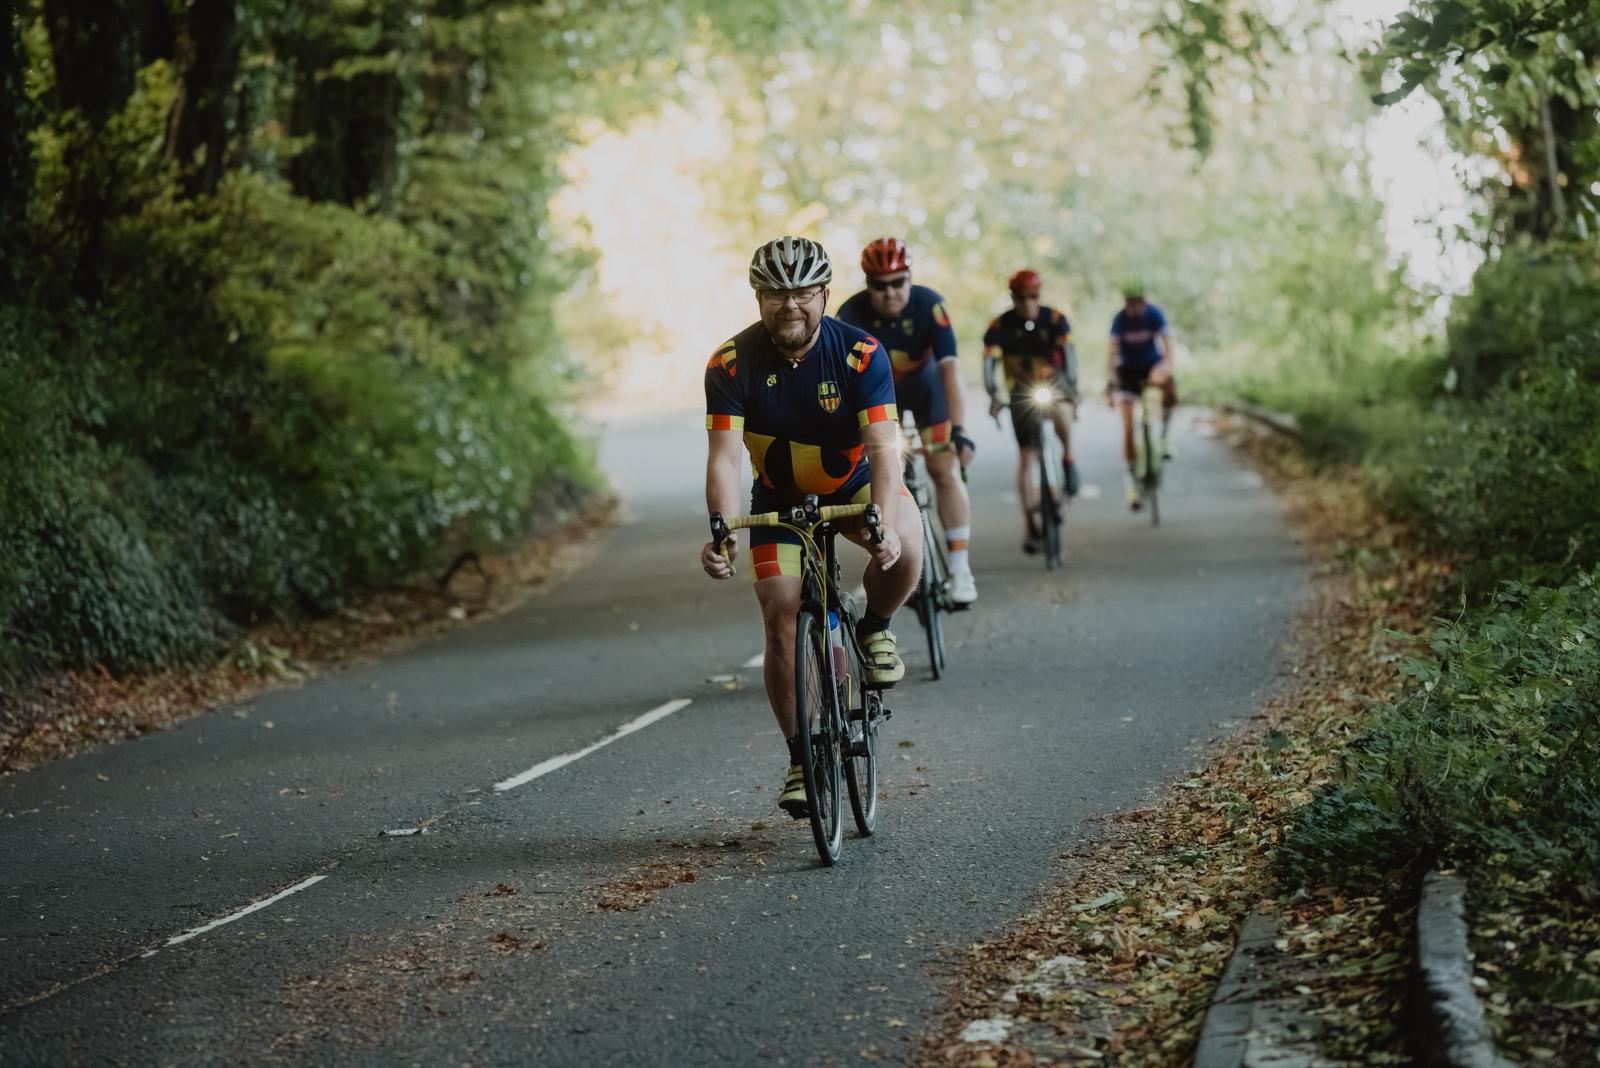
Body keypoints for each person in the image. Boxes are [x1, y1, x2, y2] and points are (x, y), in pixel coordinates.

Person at [700, 236, 923, 819]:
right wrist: (721, 528)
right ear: (758, 298)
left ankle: (874, 627)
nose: (790, 305)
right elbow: (724, 455)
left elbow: (882, 449)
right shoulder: (729, 362)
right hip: (777, 498)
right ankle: (801, 756)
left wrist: (885, 525)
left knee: (909, 543)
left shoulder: (860, 354)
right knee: (780, 616)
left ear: (825, 294)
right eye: (775, 294)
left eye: (802, 292)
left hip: (851, 486)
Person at [836, 237, 978, 606]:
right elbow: (841, 385)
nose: (890, 293)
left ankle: (961, 569)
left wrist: (959, 429)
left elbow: (950, 370)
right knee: (885, 470)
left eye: (899, 282)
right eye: (880, 286)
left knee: (943, 468)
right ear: (868, 284)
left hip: (927, 393)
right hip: (881, 405)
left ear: (910, 277)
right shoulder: (849, 315)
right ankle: (898, 557)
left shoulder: (930, 305)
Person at [981, 269, 1079, 554]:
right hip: (1020, 390)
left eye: (1033, 298)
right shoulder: (999, 327)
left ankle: (1069, 458)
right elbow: (989, 363)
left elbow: (1070, 356)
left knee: (1061, 405)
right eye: (1021, 298)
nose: (1028, 304)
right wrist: (993, 394)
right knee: (1026, 455)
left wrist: (1073, 388)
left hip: (1053, 381)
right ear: (1013, 298)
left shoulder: (1056, 320)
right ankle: (1029, 524)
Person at [1106, 277, 1177, 509]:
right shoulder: (1120, 320)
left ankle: (1165, 435)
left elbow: (1168, 345)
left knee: (1169, 381)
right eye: (1130, 301)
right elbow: (1111, 354)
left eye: (1139, 301)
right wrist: (1110, 381)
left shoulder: (1154, 314)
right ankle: (1131, 482)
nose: (1135, 306)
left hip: (1151, 366)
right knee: (1127, 426)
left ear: (1144, 299)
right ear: (1125, 301)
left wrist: (1167, 367)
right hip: (1127, 371)